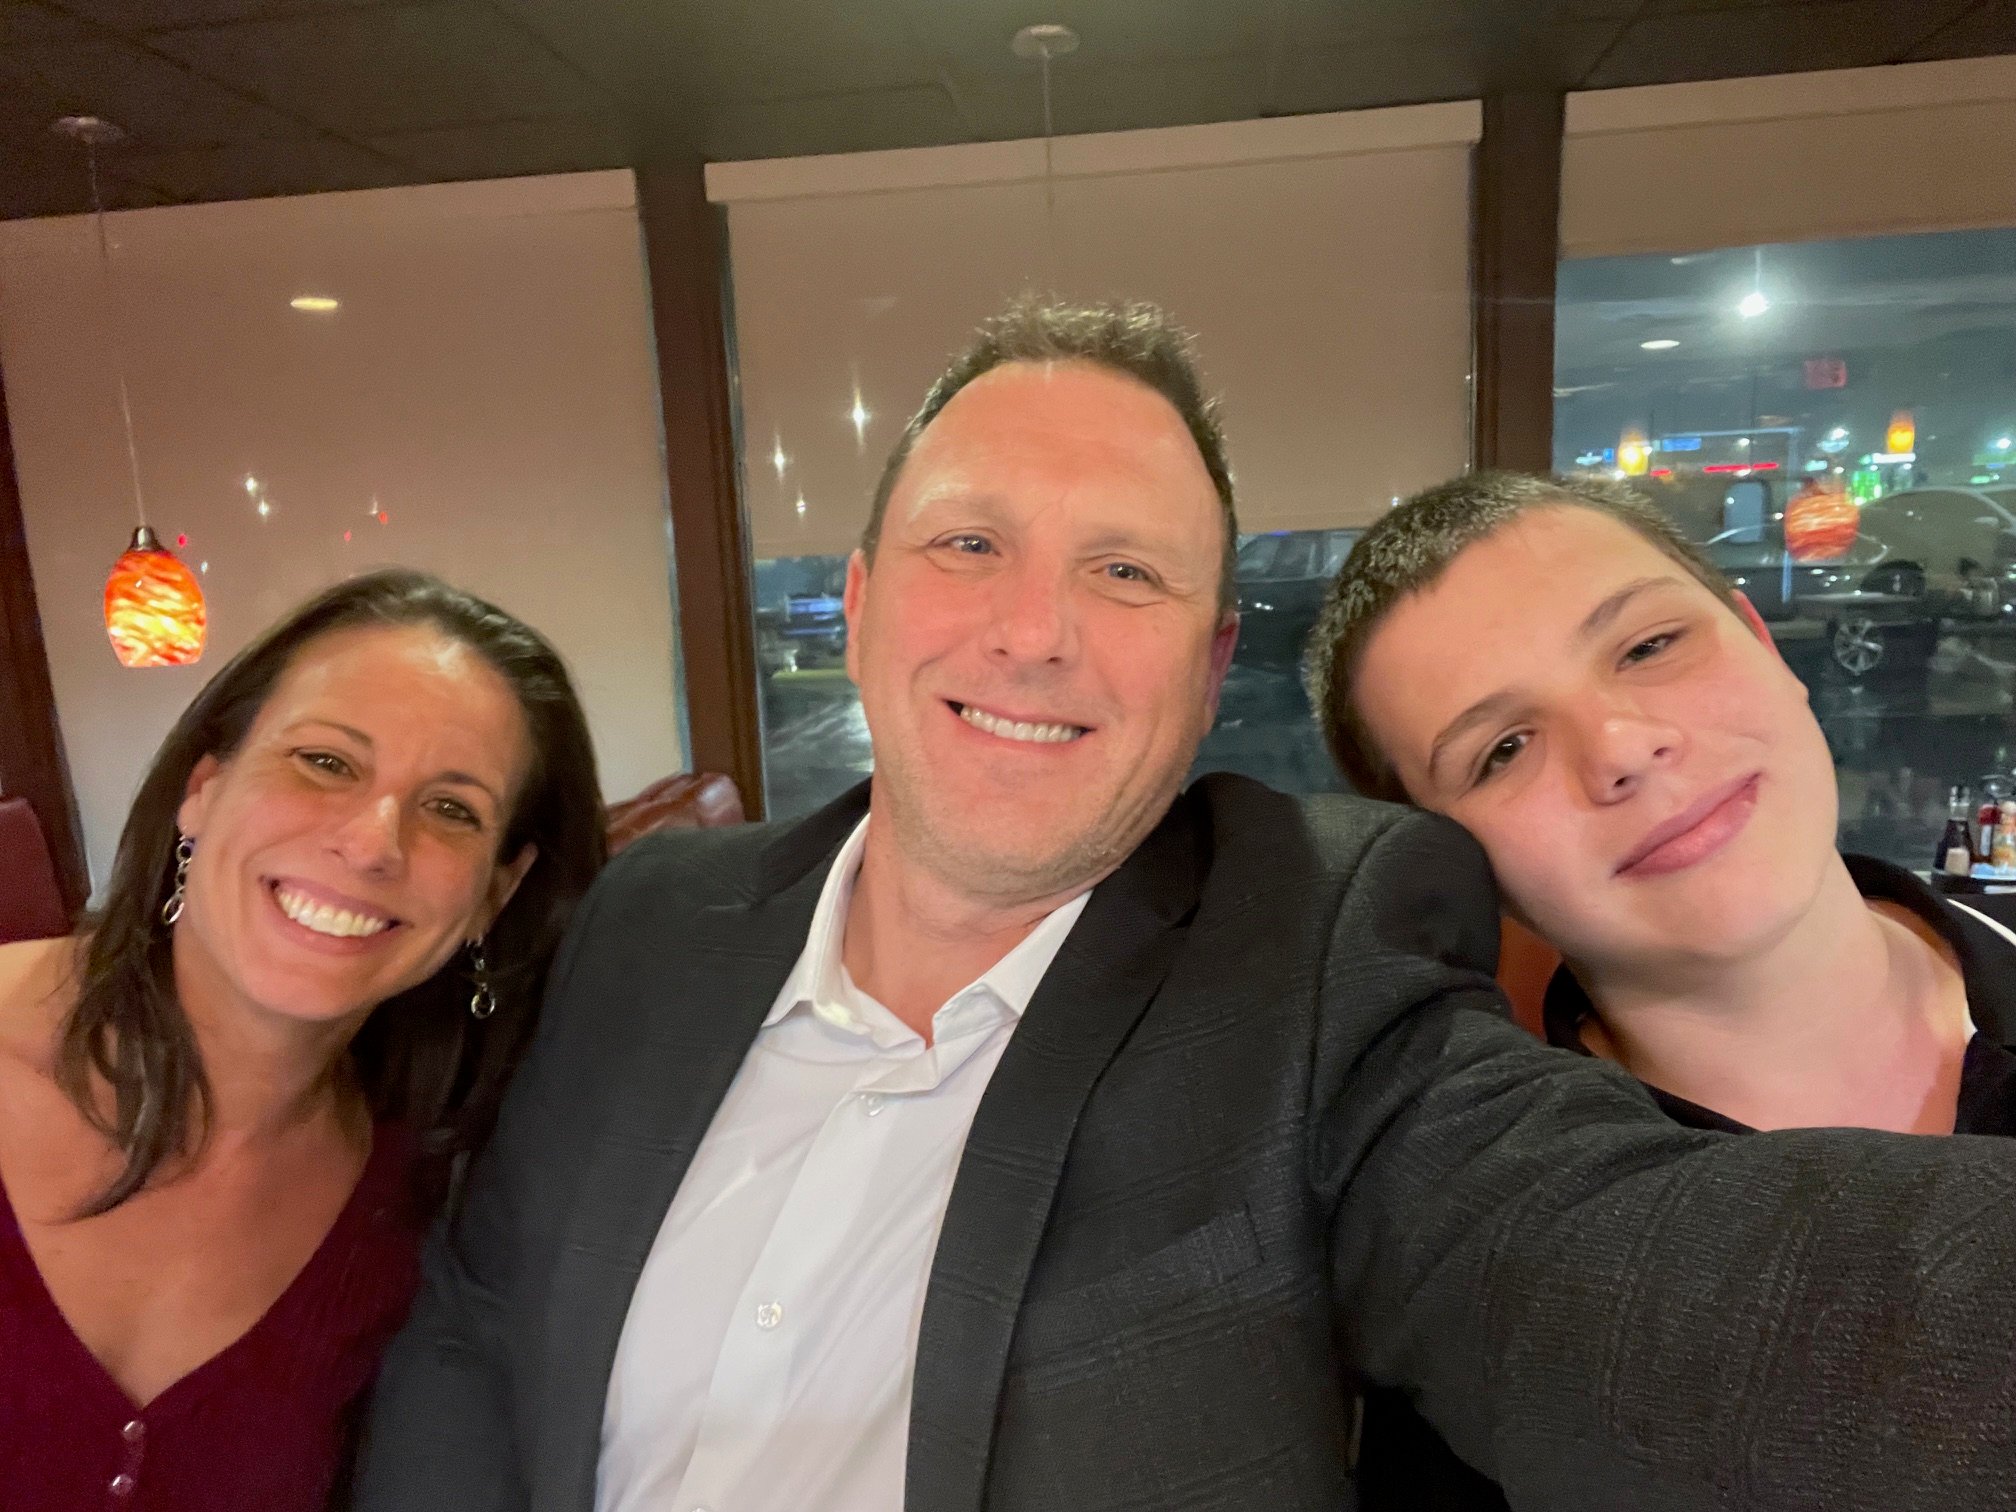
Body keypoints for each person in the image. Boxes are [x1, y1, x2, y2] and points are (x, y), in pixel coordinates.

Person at [360, 302, 2016, 1512]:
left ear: (1214, 664)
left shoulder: (1309, 941)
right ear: (859, 607)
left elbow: (1626, 1276)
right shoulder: (654, 918)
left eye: (1129, 572)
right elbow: (479, 1328)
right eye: (970, 545)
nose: (1036, 631)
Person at [1304, 469, 2016, 1510]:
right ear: (1454, 865)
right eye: (1502, 750)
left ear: (1765, 648)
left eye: (1649, 646)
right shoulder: (1486, 1307)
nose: (1624, 749)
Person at [0, 569, 606, 1511]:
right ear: (204, 790)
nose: (372, 843)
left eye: (451, 809)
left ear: (496, 893)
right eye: (326, 762)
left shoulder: (430, 1205)